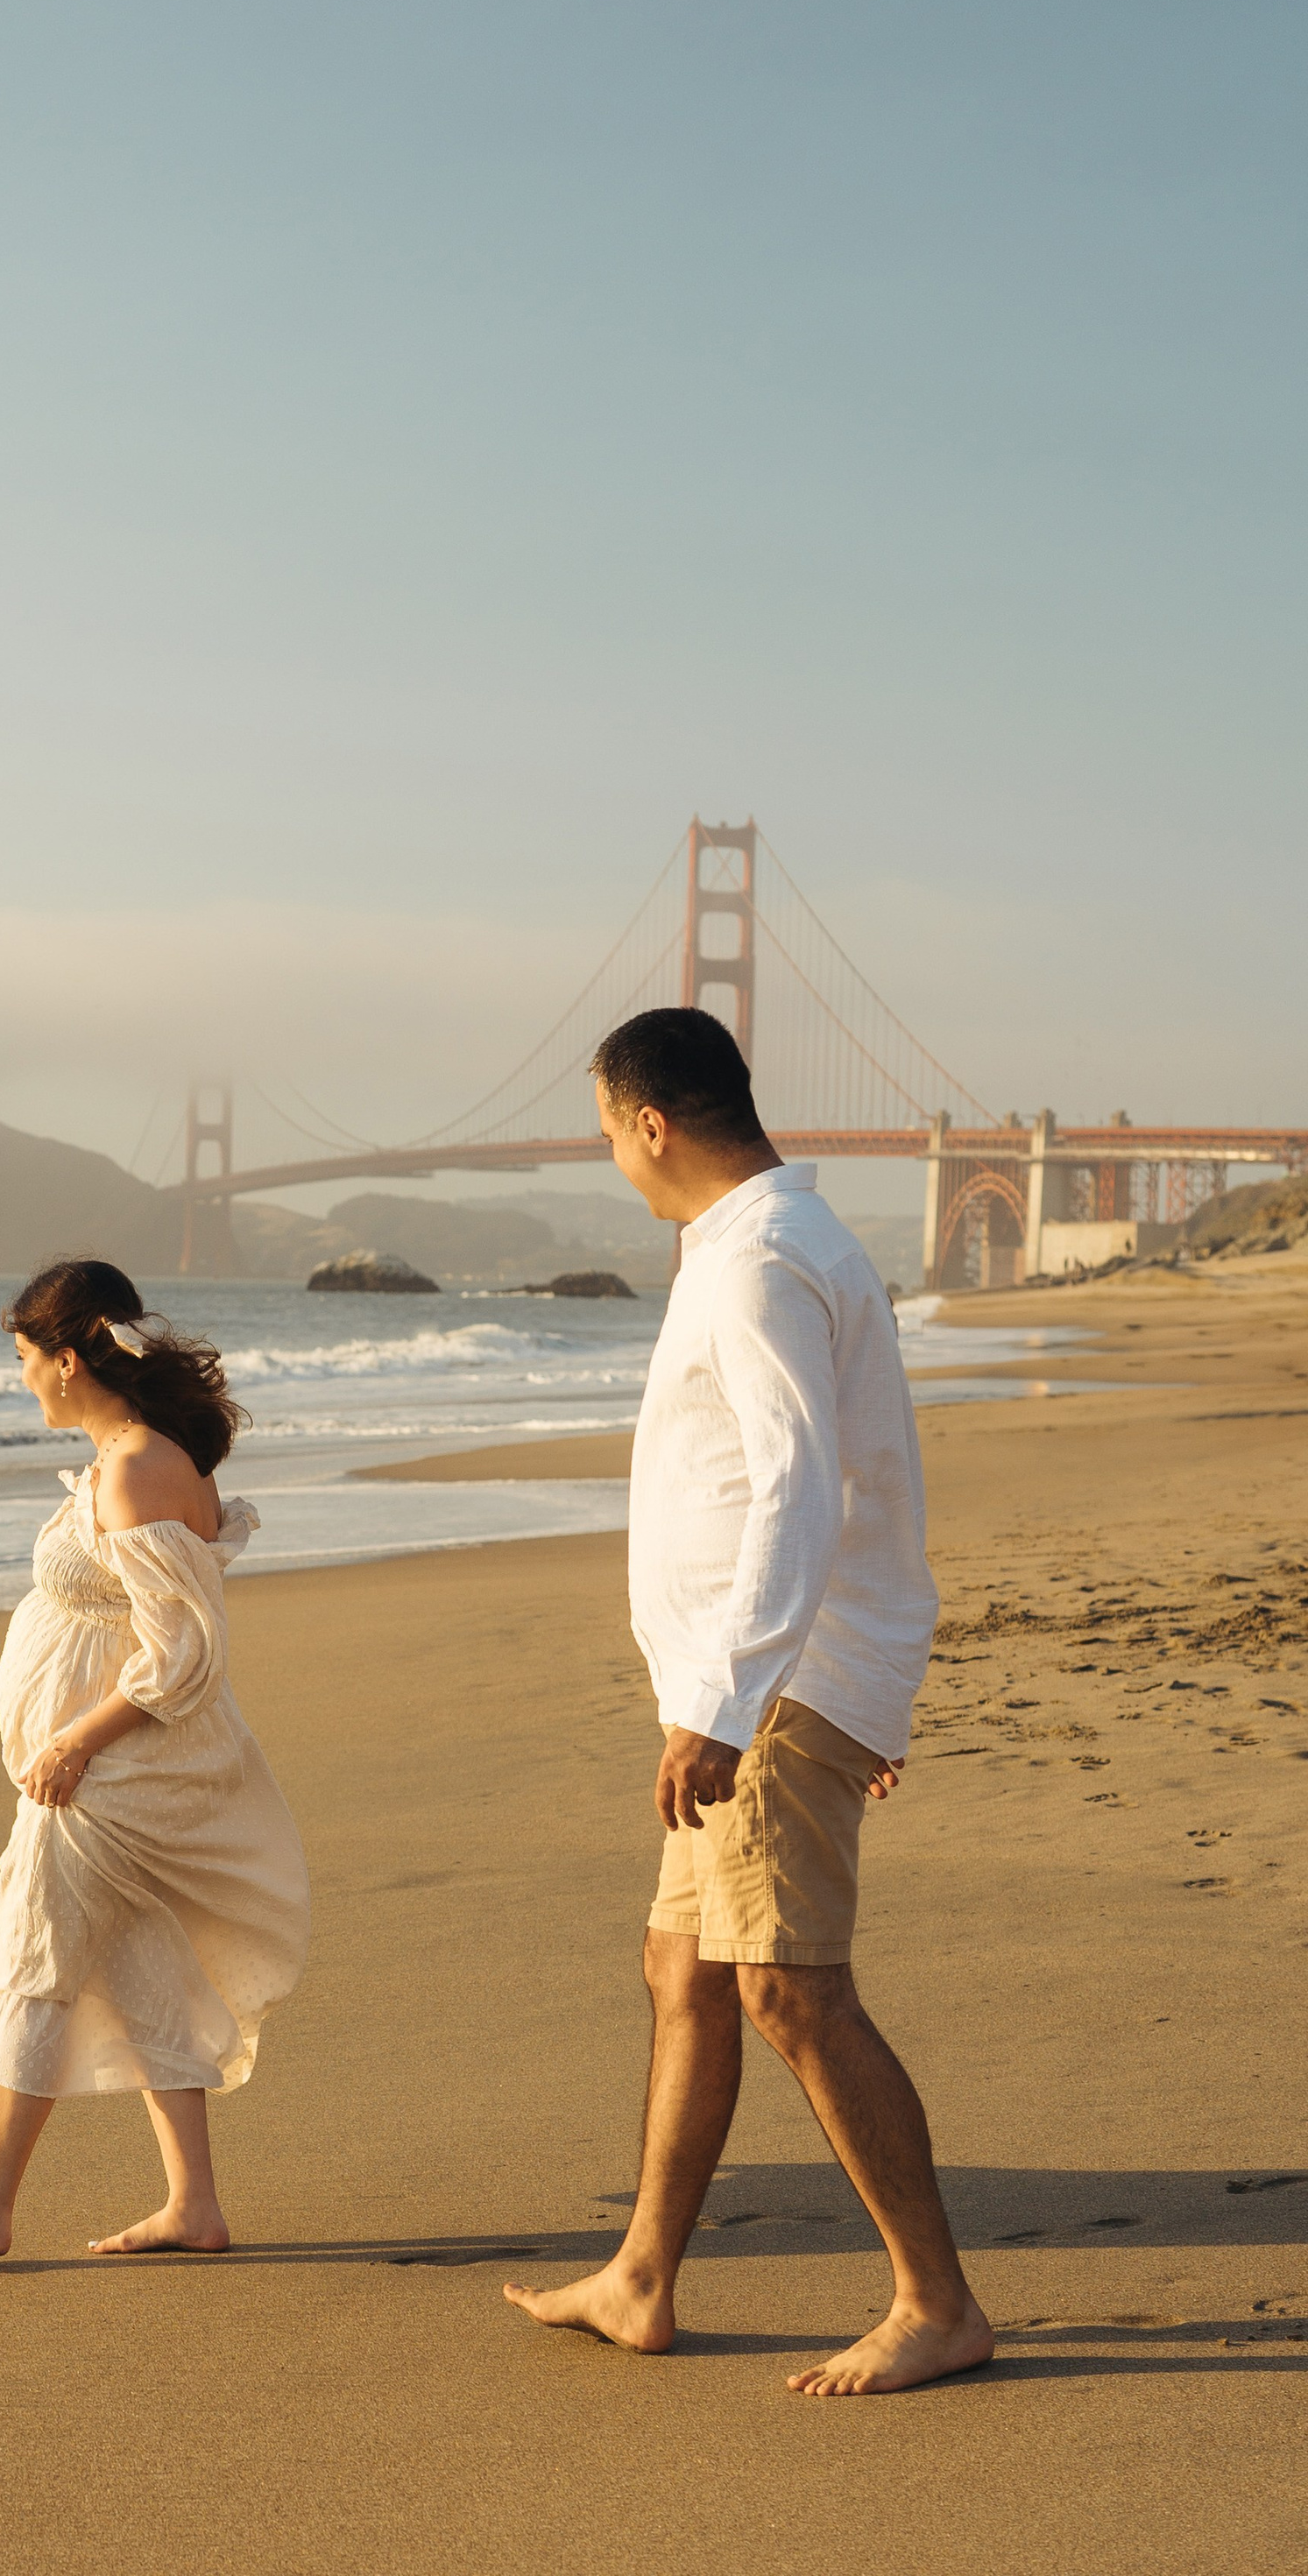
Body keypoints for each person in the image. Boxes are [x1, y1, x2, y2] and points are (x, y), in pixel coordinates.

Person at [506, 1006, 993, 2396]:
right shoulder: (762, 1245)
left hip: (765, 1687)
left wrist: (735, 1703)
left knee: (789, 1988)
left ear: (650, 1122)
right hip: (763, 1677)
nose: (613, 1154)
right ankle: (641, 2277)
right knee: (685, 1970)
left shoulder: (761, 1261)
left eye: (608, 1129)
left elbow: (801, 1486)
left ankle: (937, 2303)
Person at [0, 1258, 309, 2261]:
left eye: (26, 1359)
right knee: (139, 1962)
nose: (21, 1377)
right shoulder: (133, 1454)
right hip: (108, 1771)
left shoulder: (134, 1467)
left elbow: (183, 1652)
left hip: (106, 1776)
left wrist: (73, 1738)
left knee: (35, 1961)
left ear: (68, 1359)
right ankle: (192, 2203)